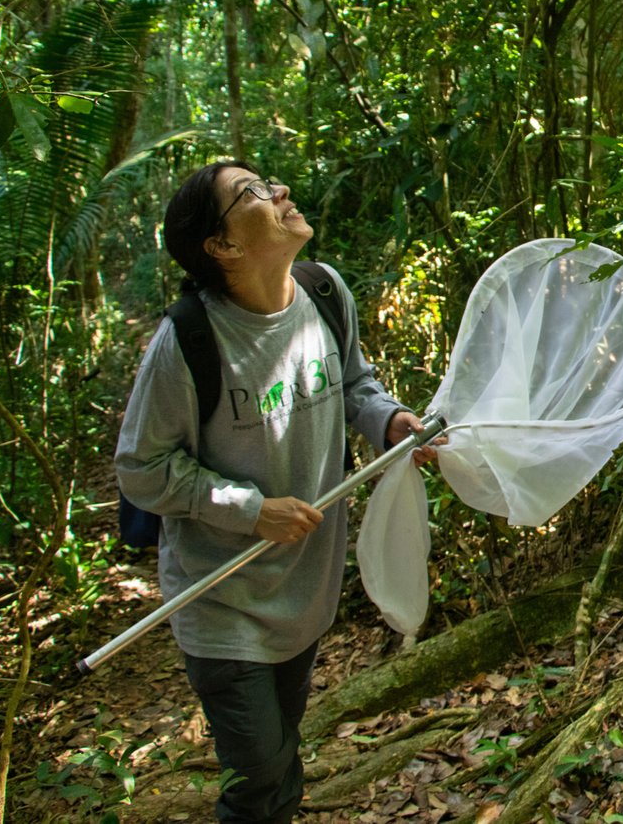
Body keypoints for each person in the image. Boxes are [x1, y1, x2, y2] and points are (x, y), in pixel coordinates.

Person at [114, 161, 438, 824]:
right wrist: (249, 510)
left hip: (302, 592)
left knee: (281, 761)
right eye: (253, 193)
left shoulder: (324, 291)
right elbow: (141, 469)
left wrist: (390, 420)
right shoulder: (188, 342)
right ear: (223, 245)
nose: (280, 191)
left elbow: (355, 384)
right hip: (221, 598)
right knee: (260, 780)